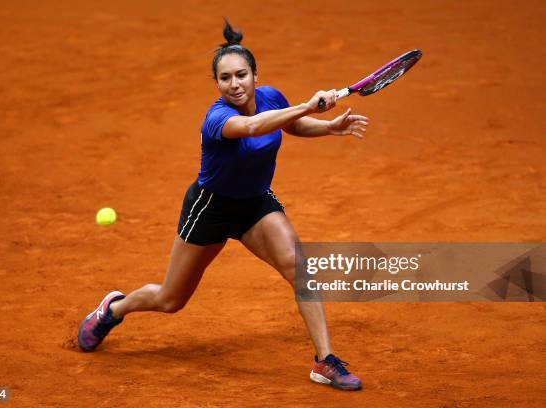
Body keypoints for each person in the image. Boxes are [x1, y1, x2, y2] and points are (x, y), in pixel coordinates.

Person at [78, 20, 369, 391]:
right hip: (210, 209)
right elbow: (253, 128)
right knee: (170, 300)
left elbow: (291, 127)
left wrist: (327, 126)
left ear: (255, 74)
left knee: (301, 270)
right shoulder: (217, 118)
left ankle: (324, 361)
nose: (235, 84)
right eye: (226, 78)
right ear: (216, 83)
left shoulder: (272, 97)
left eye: (242, 75)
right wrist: (306, 105)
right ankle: (114, 308)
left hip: (255, 205)